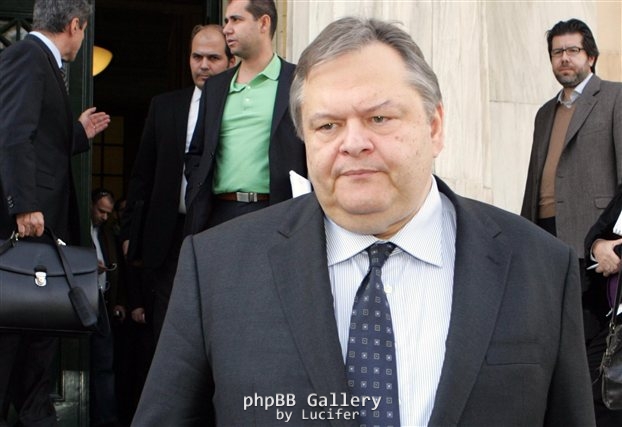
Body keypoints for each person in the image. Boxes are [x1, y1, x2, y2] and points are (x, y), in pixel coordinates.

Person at [133, 17, 595, 426]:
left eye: (379, 117)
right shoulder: (216, 269)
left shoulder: (540, 266)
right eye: (327, 125)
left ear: (434, 126)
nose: (353, 143)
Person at [0, 1, 110, 426]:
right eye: (84, 31)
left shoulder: (41, 62)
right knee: (15, 341)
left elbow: (41, 141)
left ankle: (35, 415)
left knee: (36, 343)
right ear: (76, 25)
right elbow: (13, 134)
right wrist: (24, 204)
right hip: (28, 231)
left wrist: (76, 133)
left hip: (41, 236)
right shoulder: (28, 58)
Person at [520, 19, 622, 425]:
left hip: (594, 241)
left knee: (595, 345)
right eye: (557, 52)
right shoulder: (545, 113)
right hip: (546, 237)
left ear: (590, 56)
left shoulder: (614, 97)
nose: (564, 58)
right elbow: (534, 181)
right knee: (557, 340)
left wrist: (613, 240)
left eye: (573, 50)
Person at [120, 24, 235, 343]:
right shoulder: (164, 106)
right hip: (168, 236)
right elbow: (142, 174)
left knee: (218, 323)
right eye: (197, 57)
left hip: (221, 228)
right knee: (167, 327)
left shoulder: (242, 109)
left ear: (231, 61)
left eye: (213, 58)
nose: (203, 65)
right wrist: (130, 232)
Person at [183, 0, 307, 235]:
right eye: (226, 21)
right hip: (219, 215)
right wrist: (195, 196)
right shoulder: (215, 87)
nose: (227, 29)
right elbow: (197, 153)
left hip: (279, 213)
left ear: (263, 23)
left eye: (236, 20)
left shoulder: (297, 81)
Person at [89, 189, 125, 427]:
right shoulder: (79, 230)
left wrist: (119, 300)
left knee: (104, 362)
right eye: (101, 211)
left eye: (108, 213)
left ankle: (105, 420)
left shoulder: (107, 233)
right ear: (90, 205)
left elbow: (119, 267)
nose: (104, 216)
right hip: (81, 299)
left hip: (103, 299)